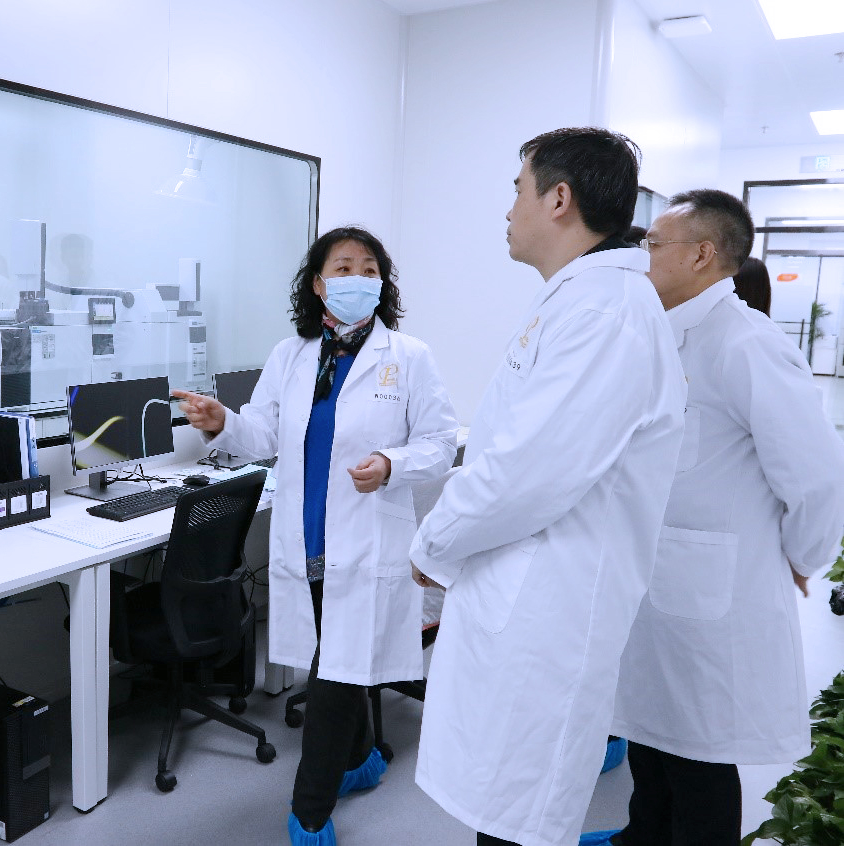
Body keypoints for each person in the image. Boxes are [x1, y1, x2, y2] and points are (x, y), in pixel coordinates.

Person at [408, 127, 686, 846]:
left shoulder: (602, 314)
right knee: (503, 811)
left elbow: (523, 474)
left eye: (517, 190)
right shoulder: (579, 301)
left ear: (558, 199)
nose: (509, 210)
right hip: (524, 598)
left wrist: (432, 543)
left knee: (519, 818)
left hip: (548, 613)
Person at [173, 226, 459, 846]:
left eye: (368, 268)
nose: (357, 278)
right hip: (305, 543)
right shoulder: (292, 355)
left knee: (336, 674)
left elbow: (441, 444)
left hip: (367, 542)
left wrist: (391, 463)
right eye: (343, 267)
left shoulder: (409, 356)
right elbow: (263, 435)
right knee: (337, 661)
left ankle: (310, 811)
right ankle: (360, 761)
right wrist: (223, 422)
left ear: (382, 284)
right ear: (319, 284)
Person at [599, 190, 844, 845]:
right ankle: (640, 837)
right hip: (650, 582)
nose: (642, 256)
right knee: (650, 738)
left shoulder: (746, 343)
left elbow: (817, 478)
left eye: (654, 244)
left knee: (698, 758)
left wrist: (799, 556)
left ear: (702, 254)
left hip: (710, 595)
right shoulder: (658, 334)